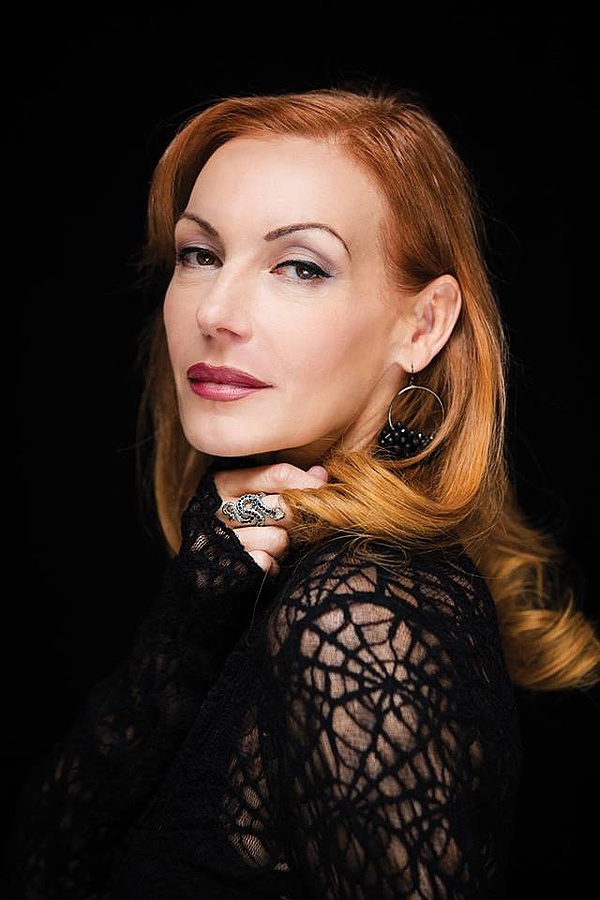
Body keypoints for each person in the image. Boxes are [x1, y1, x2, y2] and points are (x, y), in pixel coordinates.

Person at [5, 83, 600, 899]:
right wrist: (193, 611)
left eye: (300, 266)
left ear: (423, 325)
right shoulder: (259, 554)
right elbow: (44, 865)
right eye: (199, 254)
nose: (216, 311)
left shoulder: (358, 613)